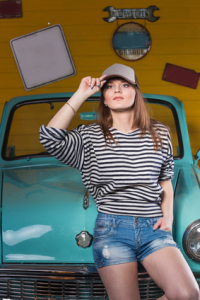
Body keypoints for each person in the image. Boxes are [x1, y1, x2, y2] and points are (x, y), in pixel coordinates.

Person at [39, 64, 200, 300]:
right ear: (103, 97)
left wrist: (168, 217)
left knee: (188, 294)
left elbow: (165, 180)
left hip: (153, 229)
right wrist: (82, 93)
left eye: (125, 85)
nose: (118, 90)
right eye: (110, 86)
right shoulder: (90, 136)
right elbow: (50, 137)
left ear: (136, 93)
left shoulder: (160, 133)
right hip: (112, 230)